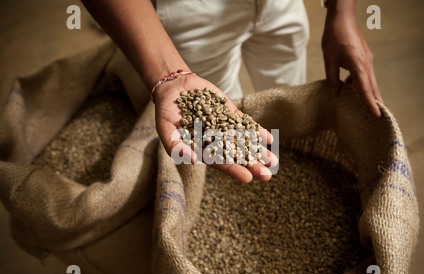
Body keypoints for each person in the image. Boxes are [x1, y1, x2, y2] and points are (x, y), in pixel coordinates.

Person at [81, 0, 383, 183]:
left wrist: (341, 13)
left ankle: (280, 167)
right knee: (219, 141)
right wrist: (169, 76)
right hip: (191, 10)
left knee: (286, 101)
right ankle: (228, 190)